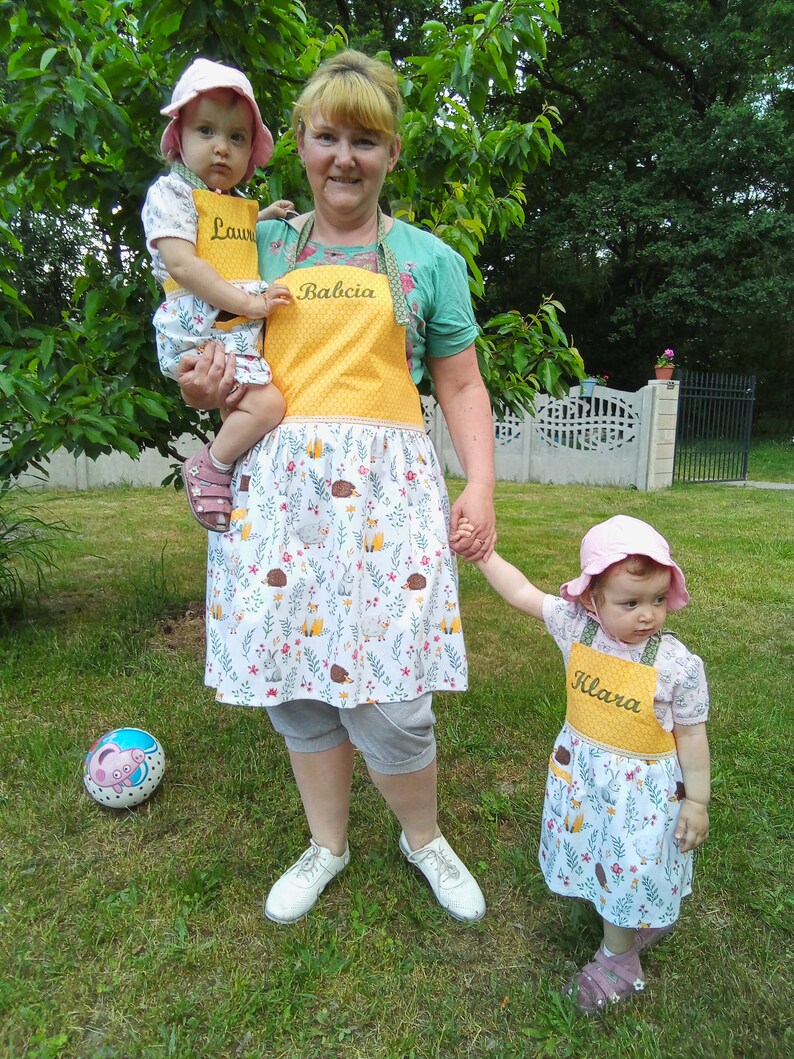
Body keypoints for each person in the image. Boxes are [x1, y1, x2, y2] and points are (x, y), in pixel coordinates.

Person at [174, 50, 497, 924]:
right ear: (303, 145)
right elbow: (210, 354)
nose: (343, 157)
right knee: (297, 678)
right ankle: (327, 842)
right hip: (280, 496)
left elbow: (460, 386)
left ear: (391, 152)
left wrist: (480, 487)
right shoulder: (258, 240)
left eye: (364, 139)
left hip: (388, 498)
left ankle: (422, 837)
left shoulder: (428, 261)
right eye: (326, 137)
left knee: (394, 694)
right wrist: (202, 388)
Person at [467, 514, 711, 1012]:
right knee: (596, 850)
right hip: (583, 775)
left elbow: (691, 735)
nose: (648, 615)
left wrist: (698, 801)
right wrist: (484, 556)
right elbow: (520, 592)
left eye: (659, 600)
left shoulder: (676, 665)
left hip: (641, 793)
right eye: (631, 602)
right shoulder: (574, 627)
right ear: (592, 599)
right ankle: (630, 916)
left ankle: (619, 961)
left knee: (629, 864)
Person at [142, 58, 295, 532]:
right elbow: (185, 264)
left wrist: (263, 215)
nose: (221, 148)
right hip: (204, 327)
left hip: (230, 330)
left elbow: (227, 233)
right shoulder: (171, 194)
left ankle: (232, 481)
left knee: (241, 411)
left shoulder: (228, 202)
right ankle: (211, 465)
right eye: (206, 131)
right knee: (268, 405)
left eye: (236, 138)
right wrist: (248, 303)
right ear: (178, 139)